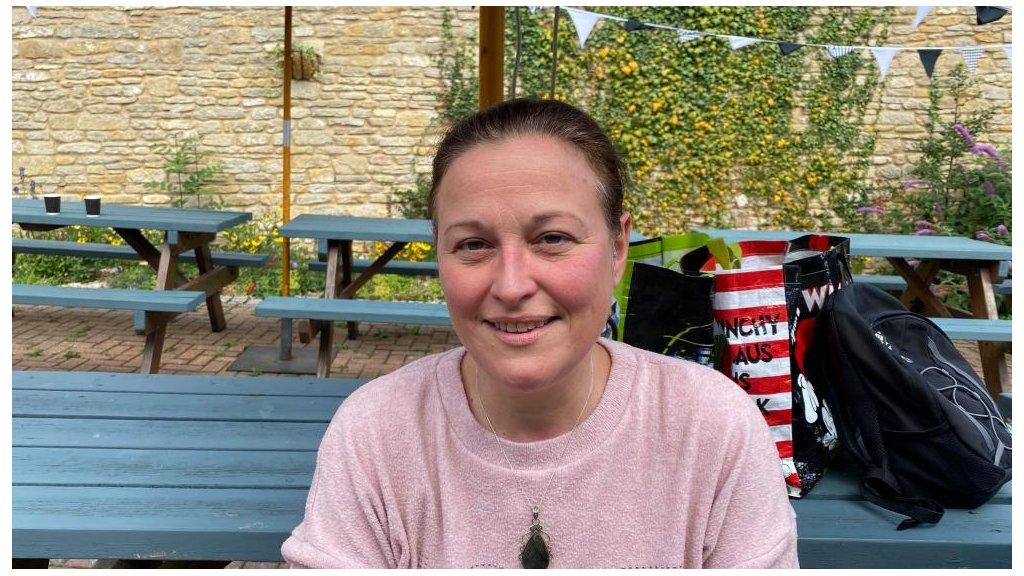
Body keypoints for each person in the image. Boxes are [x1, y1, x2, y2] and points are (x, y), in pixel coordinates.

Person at [280, 98, 799, 568]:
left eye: (552, 238)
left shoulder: (712, 429)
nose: (511, 285)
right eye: (472, 245)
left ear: (618, 249)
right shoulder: (376, 435)